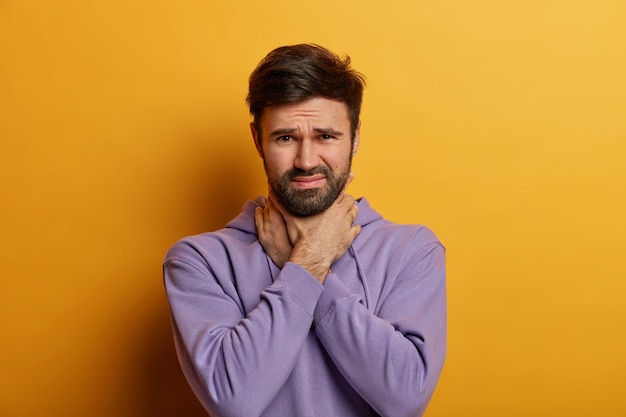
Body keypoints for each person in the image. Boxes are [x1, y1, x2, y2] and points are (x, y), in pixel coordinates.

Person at [163, 44, 446, 417]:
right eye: (285, 138)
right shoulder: (200, 261)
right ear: (257, 140)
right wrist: (308, 264)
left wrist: (298, 261)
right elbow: (234, 401)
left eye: (326, 136)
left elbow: (405, 399)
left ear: (355, 137)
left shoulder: (411, 250)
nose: (307, 161)